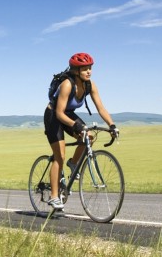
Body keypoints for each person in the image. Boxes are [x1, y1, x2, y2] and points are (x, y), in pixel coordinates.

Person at [43, 52, 119, 210]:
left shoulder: (90, 85)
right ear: (75, 71)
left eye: (90, 68)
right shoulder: (67, 85)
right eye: (85, 69)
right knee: (59, 156)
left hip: (67, 114)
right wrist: (77, 126)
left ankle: (74, 163)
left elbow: (101, 108)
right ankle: (54, 197)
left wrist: (112, 125)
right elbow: (59, 113)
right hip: (54, 115)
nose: (89, 71)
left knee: (89, 137)